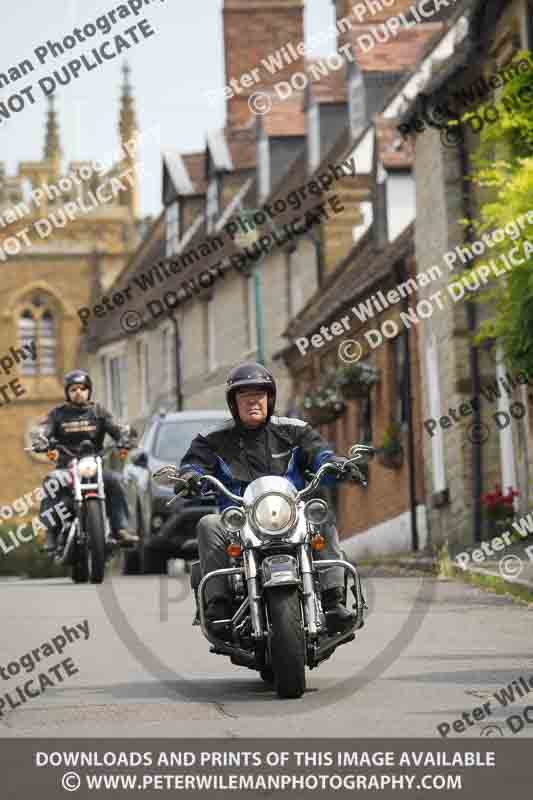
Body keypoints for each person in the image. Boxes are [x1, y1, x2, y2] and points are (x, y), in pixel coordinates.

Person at [177, 361, 366, 631]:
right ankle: (217, 605)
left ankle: (333, 599)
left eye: (259, 395)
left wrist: (335, 462)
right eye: (244, 395)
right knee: (208, 524)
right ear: (233, 402)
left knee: (319, 513)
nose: (253, 401)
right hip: (239, 521)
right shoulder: (214, 438)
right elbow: (194, 462)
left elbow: (318, 452)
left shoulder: (294, 430)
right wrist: (190, 476)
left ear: (270, 398)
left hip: (290, 514)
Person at [33, 369, 138, 553]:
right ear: (67, 392)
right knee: (52, 481)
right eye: (73, 389)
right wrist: (42, 439)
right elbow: (45, 429)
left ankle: (120, 528)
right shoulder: (57, 414)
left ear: (89, 390)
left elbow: (116, 429)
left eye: (82, 388)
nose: (78, 392)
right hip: (67, 467)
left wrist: (124, 438)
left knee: (116, 480)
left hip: (94, 465)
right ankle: (51, 531)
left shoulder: (99, 412)